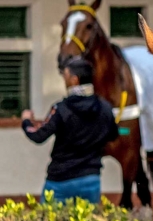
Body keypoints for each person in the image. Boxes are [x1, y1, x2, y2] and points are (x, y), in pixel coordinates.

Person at [22, 58, 118, 204]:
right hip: (90, 179)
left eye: (65, 75)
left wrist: (26, 121)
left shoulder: (61, 109)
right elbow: (113, 135)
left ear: (74, 80)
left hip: (60, 181)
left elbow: (38, 135)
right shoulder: (105, 108)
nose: (63, 79)